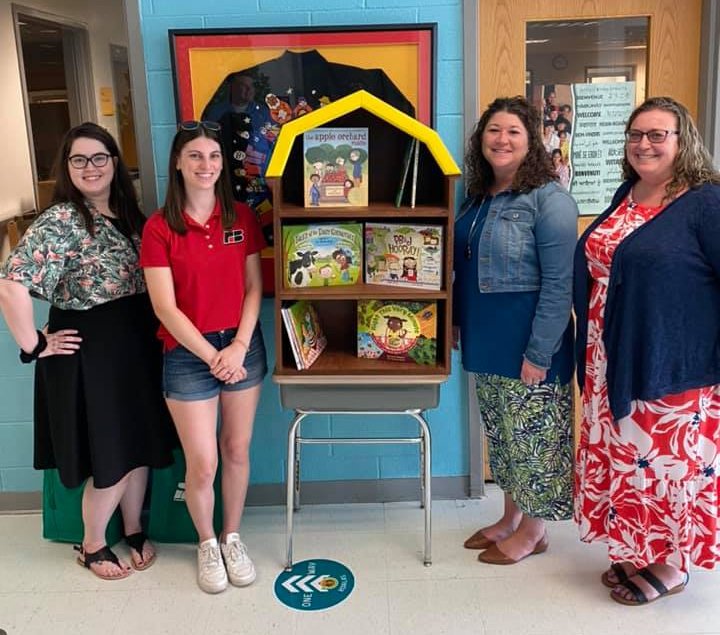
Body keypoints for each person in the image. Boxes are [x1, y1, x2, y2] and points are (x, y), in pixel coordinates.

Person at [0, 122, 175, 580]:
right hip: (91, 351)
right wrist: (33, 344)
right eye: (79, 159)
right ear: (67, 168)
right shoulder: (62, 220)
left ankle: (134, 528)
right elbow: (10, 285)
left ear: (115, 163)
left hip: (137, 343)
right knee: (111, 453)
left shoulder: (131, 214)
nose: (90, 167)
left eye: (99, 157)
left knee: (140, 445)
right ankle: (93, 544)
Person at [574, 96, 720, 606]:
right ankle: (638, 546)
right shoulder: (627, 193)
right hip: (608, 354)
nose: (644, 144)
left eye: (658, 134)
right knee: (626, 456)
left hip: (668, 361)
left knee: (663, 461)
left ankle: (671, 564)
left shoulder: (704, 202)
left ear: (684, 142)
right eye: (636, 134)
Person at [140, 120, 267, 594]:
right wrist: (213, 354)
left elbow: (255, 288)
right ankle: (207, 542)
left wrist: (236, 346)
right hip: (188, 353)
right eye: (195, 156)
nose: (206, 165)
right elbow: (163, 307)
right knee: (203, 463)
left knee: (236, 450)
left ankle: (233, 537)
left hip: (242, 347)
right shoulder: (159, 227)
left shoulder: (241, 218)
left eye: (213, 157)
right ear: (177, 162)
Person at [454, 96, 577, 565]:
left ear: (531, 143)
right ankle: (509, 517)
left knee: (535, 437)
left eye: (513, 132)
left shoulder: (550, 200)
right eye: (493, 130)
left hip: (529, 340)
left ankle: (534, 530)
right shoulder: (477, 196)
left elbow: (558, 286)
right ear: (481, 139)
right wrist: (455, 323)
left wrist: (539, 353)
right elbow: (462, 268)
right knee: (504, 436)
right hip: (487, 337)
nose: (501, 140)